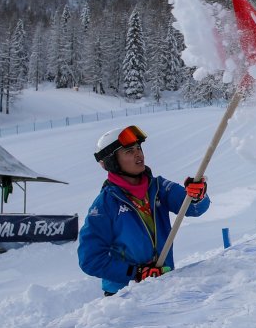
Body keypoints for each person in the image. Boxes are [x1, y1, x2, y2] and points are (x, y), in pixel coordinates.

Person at [78, 125, 211, 296]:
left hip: (163, 283)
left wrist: (196, 195)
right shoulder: (104, 206)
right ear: (111, 162)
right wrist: (135, 272)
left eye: (138, 148)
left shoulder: (159, 187)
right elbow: (90, 259)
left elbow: (193, 208)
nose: (138, 154)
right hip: (124, 296)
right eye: (128, 151)